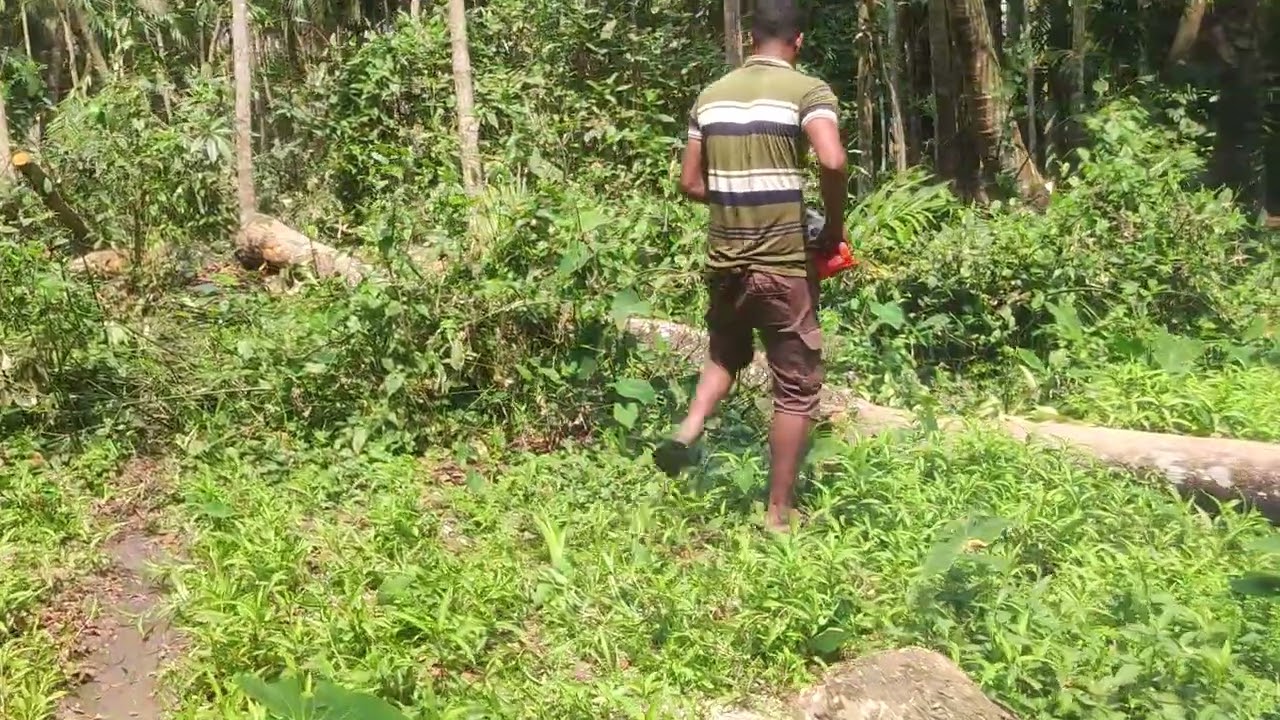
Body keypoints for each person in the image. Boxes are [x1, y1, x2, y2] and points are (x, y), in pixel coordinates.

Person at [651, 0, 848, 533]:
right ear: (799, 40)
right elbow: (831, 160)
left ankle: (689, 427)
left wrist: (740, 194)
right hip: (783, 266)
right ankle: (779, 513)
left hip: (725, 264)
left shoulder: (711, 96)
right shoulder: (808, 92)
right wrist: (833, 227)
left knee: (725, 353)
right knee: (797, 387)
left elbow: (691, 183)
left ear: (750, 38)